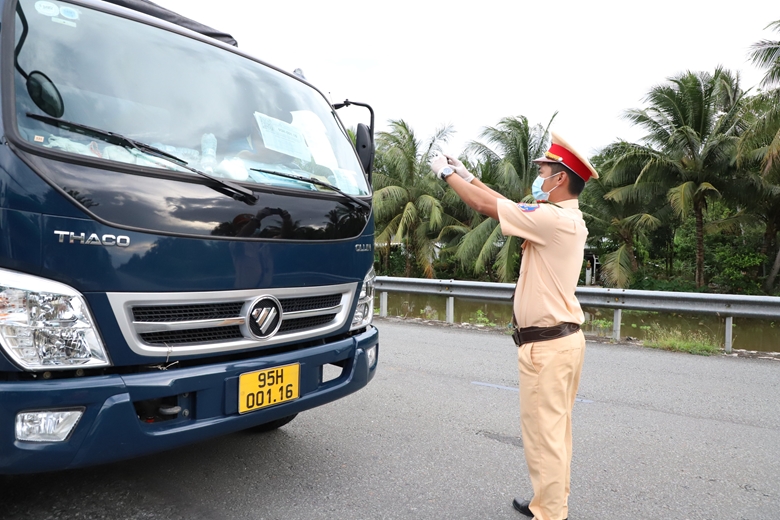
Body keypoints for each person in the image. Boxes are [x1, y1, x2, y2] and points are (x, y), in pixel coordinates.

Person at [430, 133, 598, 520]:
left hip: (548, 346)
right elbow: (503, 203)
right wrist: (467, 175)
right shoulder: (561, 217)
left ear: (559, 179)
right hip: (560, 342)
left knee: (546, 436)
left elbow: (485, 206)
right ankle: (547, 503)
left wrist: (445, 175)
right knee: (551, 433)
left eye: (543, 171)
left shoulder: (553, 220)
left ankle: (551, 514)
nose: (538, 175)